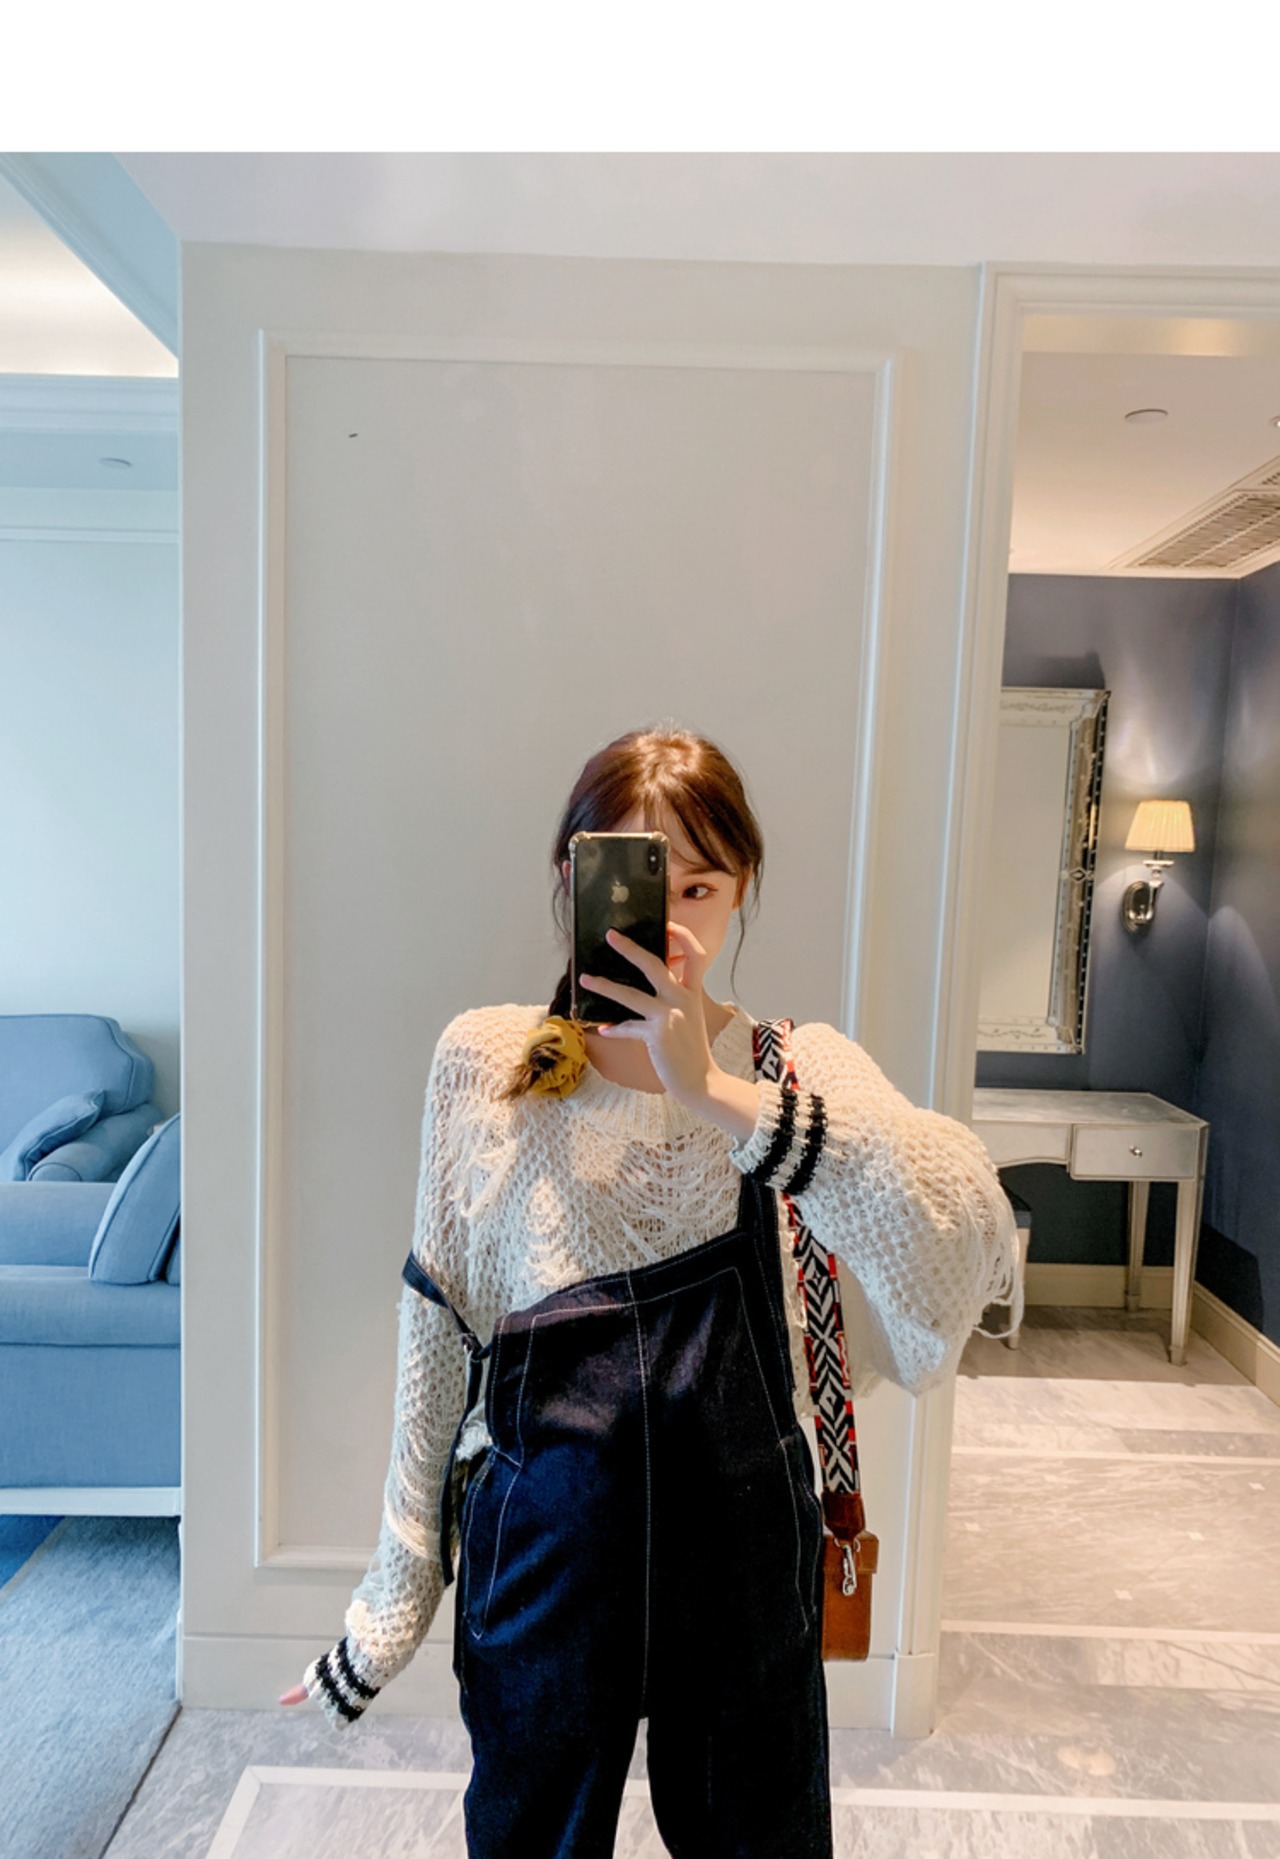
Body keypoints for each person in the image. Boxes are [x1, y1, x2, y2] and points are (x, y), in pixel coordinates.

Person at [279, 725, 1021, 1857]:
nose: (668, 920)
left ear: (742, 889)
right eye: (636, 881)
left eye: (700, 886)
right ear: (572, 878)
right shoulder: (485, 1066)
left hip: (742, 1577)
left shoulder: (791, 1070)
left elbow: (962, 1238)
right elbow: (435, 1338)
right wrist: (388, 1604)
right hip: (543, 1568)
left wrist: (720, 1094)